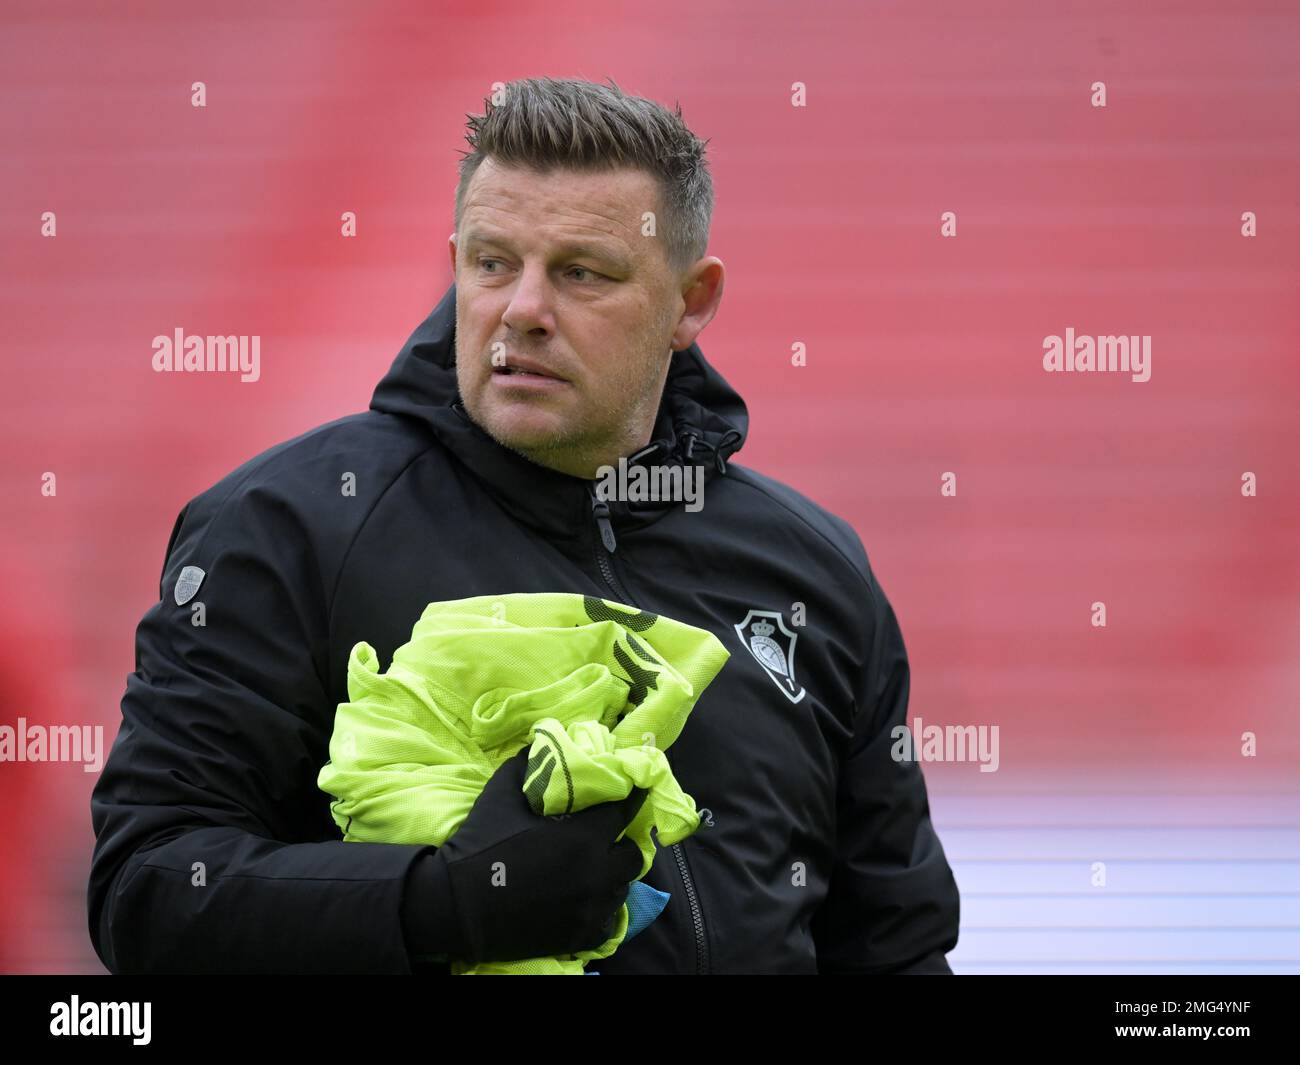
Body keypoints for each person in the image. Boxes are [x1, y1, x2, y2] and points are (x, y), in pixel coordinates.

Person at [87, 75, 960, 975]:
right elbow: (147, 891)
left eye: (582, 272)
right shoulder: (286, 527)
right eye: (493, 263)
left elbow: (894, 945)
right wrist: (443, 903)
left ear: (691, 303)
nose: (523, 311)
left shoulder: (813, 569)